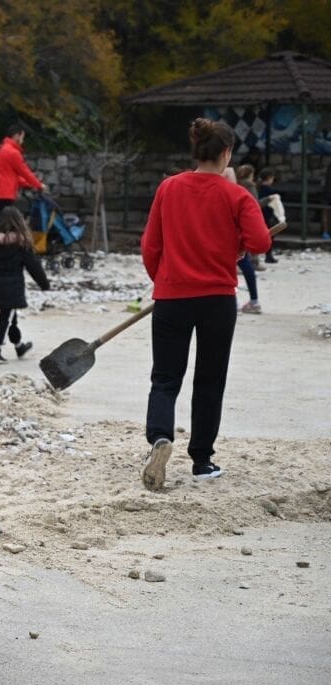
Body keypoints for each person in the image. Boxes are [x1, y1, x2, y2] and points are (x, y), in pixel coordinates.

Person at [139, 118, 271, 491]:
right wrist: (237, 239)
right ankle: (201, 460)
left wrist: (164, 281)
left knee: (165, 377)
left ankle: (160, 437)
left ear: (196, 150)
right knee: (210, 379)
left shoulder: (168, 188)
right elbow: (260, 242)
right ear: (226, 153)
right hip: (217, 299)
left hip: (171, 297)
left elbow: (150, 246)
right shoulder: (237, 195)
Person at [0, 207, 50, 363]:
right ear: (19, 222)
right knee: (6, 318)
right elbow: (34, 266)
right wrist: (44, 284)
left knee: (11, 317)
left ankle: (19, 346)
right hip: (14, 287)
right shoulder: (21, 244)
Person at [0, 122, 44, 220]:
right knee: (6, 224)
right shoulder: (13, 152)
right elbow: (25, 172)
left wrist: (27, 184)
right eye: (22, 137)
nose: (22, 140)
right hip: (6, 194)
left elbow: (10, 174)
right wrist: (39, 185)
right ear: (16, 135)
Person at [232, 164, 264, 313]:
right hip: (239, 232)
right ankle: (253, 300)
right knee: (245, 264)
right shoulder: (248, 188)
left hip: (230, 231)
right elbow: (255, 208)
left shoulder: (234, 187)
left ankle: (235, 300)